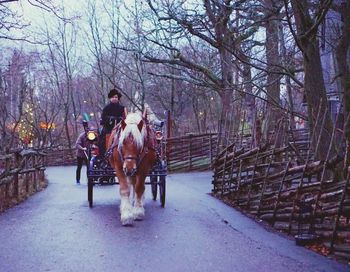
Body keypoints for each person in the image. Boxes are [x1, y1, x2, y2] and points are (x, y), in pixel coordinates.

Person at [100, 88, 127, 155]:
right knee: (101, 139)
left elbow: (126, 118)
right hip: (109, 128)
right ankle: (103, 154)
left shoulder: (122, 108)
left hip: (120, 127)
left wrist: (120, 119)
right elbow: (103, 117)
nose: (114, 98)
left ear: (118, 98)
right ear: (110, 98)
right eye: (112, 97)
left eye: (116, 97)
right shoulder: (106, 108)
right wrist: (111, 118)